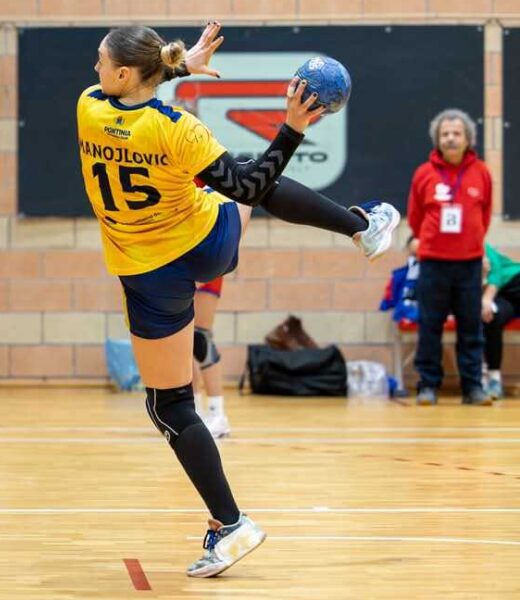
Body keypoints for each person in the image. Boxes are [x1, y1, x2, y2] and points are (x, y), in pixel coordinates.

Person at [76, 23, 399, 578]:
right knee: (249, 182)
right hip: (209, 244)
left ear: (123, 73)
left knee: (170, 406)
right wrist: (292, 128)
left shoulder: (88, 108)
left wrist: (180, 67)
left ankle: (232, 523)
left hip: (150, 275)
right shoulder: (179, 130)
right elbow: (248, 187)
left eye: (101, 61)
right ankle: (361, 228)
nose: (95, 69)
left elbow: (124, 92)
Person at [407, 109, 492, 406]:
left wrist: (470, 242)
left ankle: (473, 388)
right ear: (437, 139)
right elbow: (415, 217)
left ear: (468, 139)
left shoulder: (482, 172)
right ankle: (428, 386)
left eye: (457, 133)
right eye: (445, 134)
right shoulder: (424, 173)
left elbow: (485, 214)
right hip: (433, 262)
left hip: (469, 263)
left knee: (471, 328)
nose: (451, 138)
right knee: (430, 325)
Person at [192, 276, 230, 438]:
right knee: (183, 339)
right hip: (176, 267)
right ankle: (193, 410)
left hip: (203, 267)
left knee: (200, 338)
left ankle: (217, 415)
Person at [482, 243, 520, 399]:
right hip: (503, 297)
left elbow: (496, 271)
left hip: (515, 282)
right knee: (491, 317)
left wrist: (487, 298)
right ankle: (494, 379)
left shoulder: (478, 243)